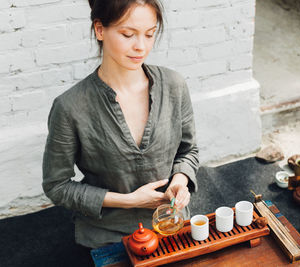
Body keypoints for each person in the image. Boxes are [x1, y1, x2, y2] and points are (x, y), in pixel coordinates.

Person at [42, 0, 199, 249]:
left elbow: (188, 151)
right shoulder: (70, 107)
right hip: (107, 233)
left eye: (150, 34)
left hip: (172, 224)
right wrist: (129, 200)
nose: (141, 46)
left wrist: (179, 180)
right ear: (100, 30)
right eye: (128, 34)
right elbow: (57, 186)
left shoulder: (174, 85)